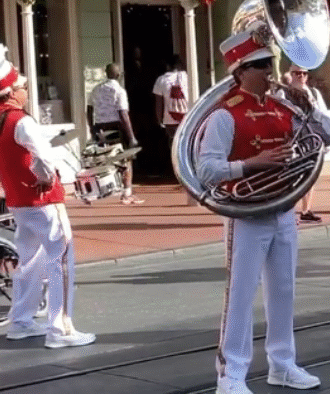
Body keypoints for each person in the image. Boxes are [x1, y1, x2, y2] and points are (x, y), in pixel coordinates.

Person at [197, 23, 330, 394]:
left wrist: (308, 106)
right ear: (240, 71)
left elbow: (327, 138)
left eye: (270, 63)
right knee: (240, 295)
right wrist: (251, 164)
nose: (269, 71)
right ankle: (230, 374)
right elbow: (206, 169)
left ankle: (283, 364)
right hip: (247, 214)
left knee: (284, 290)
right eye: (260, 64)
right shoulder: (225, 115)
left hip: (283, 209)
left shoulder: (283, 107)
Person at [0, 50, 96, 348]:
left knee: (29, 262)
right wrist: (47, 179)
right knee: (61, 259)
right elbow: (43, 157)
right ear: (11, 92)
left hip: (18, 200)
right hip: (42, 200)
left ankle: (21, 321)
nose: (26, 91)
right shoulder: (21, 121)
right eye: (23, 87)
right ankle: (61, 329)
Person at [88, 63, 143, 205]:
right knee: (126, 159)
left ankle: (96, 191)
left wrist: (92, 128)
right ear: (119, 75)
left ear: (106, 73)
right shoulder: (119, 91)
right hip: (116, 127)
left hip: (100, 127)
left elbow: (89, 109)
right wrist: (131, 136)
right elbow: (123, 114)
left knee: (103, 158)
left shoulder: (96, 89)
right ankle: (127, 193)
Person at [285, 62, 329, 223]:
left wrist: (324, 138)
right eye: (297, 73)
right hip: (293, 140)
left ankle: (306, 210)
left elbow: (323, 116)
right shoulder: (284, 93)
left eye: (304, 73)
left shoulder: (313, 93)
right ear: (291, 75)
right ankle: (290, 211)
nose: (301, 77)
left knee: (310, 175)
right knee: (294, 177)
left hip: (311, 138)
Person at [152, 54, 190, 162]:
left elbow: (159, 103)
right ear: (180, 65)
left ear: (167, 66)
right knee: (187, 145)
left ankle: (176, 165)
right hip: (187, 118)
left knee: (174, 147)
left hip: (170, 121)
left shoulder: (161, 80)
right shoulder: (187, 77)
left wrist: (160, 121)